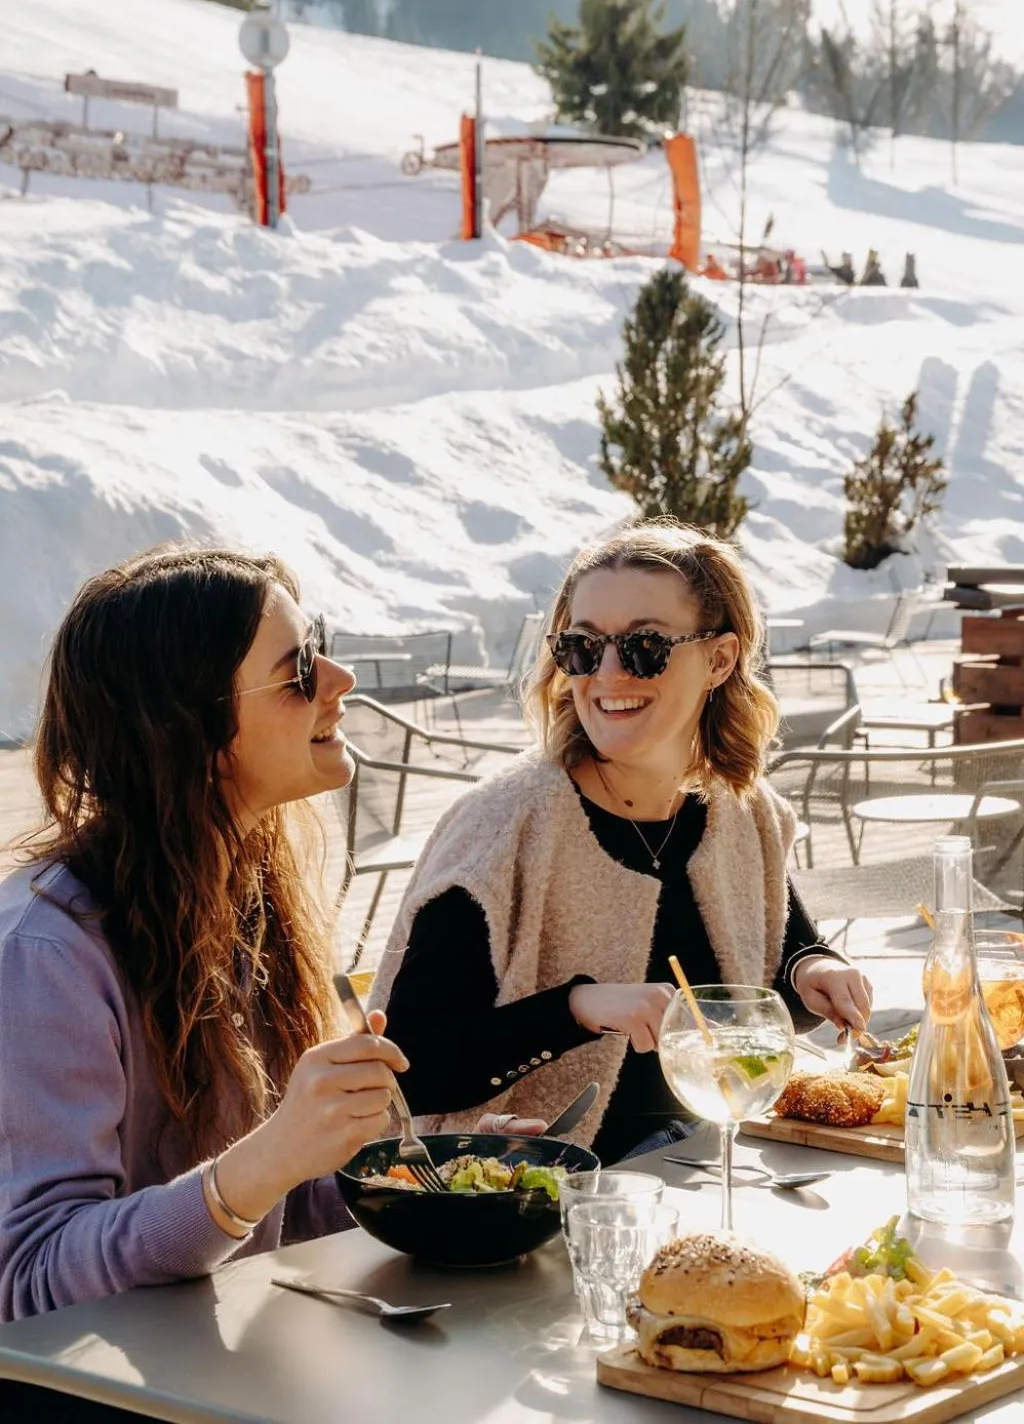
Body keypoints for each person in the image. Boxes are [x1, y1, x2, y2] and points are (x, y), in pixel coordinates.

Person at [0, 547, 537, 1330]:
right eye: (300, 669)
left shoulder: (245, 893)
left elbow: (283, 1205)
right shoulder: (46, 954)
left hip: (237, 1363)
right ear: (193, 728)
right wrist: (266, 1159)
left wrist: (431, 1167)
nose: (341, 681)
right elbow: (31, 1279)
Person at [374, 521, 873, 1165]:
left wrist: (815, 968)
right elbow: (408, 1072)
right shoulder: (502, 828)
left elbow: (769, 978)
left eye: (644, 646)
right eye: (582, 647)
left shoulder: (742, 812)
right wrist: (576, 1009)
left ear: (720, 660)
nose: (608, 674)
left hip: (706, 1165)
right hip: (521, 1200)